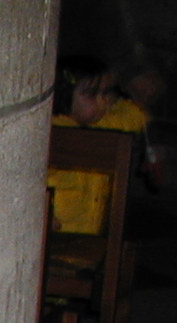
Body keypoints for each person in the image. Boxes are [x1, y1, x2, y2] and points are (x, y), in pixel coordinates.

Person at [47, 55, 152, 235]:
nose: (103, 102)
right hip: (59, 234)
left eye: (105, 94)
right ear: (64, 93)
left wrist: (119, 94)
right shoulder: (52, 133)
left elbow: (135, 116)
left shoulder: (103, 125)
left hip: (90, 234)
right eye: (92, 95)